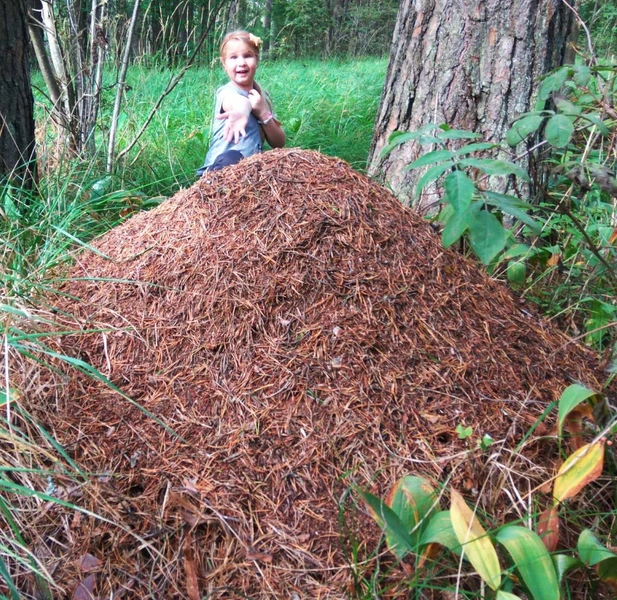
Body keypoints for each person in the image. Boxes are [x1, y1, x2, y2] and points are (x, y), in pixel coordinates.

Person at [196, 31, 285, 176]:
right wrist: (242, 112)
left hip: (249, 173)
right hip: (221, 169)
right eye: (233, 57)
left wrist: (263, 112)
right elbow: (238, 101)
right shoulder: (226, 92)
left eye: (247, 56)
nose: (241, 63)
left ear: (257, 59)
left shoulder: (262, 97)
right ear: (224, 64)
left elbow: (279, 143)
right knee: (233, 157)